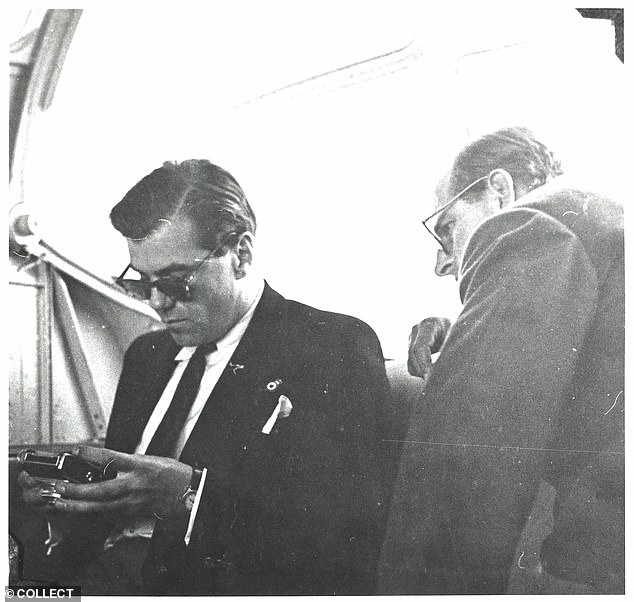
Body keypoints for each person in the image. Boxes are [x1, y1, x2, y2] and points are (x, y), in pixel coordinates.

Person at [19, 159, 392, 595]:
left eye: (177, 282)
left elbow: (344, 528)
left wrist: (191, 497)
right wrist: (70, 505)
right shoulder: (147, 356)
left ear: (242, 254)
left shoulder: (331, 346)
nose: (158, 302)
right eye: (143, 282)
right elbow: (117, 500)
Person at [378, 127, 624, 594]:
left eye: (446, 228)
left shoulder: (531, 222)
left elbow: (464, 472)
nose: (441, 263)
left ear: (499, 190)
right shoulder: (603, 219)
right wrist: (470, 329)